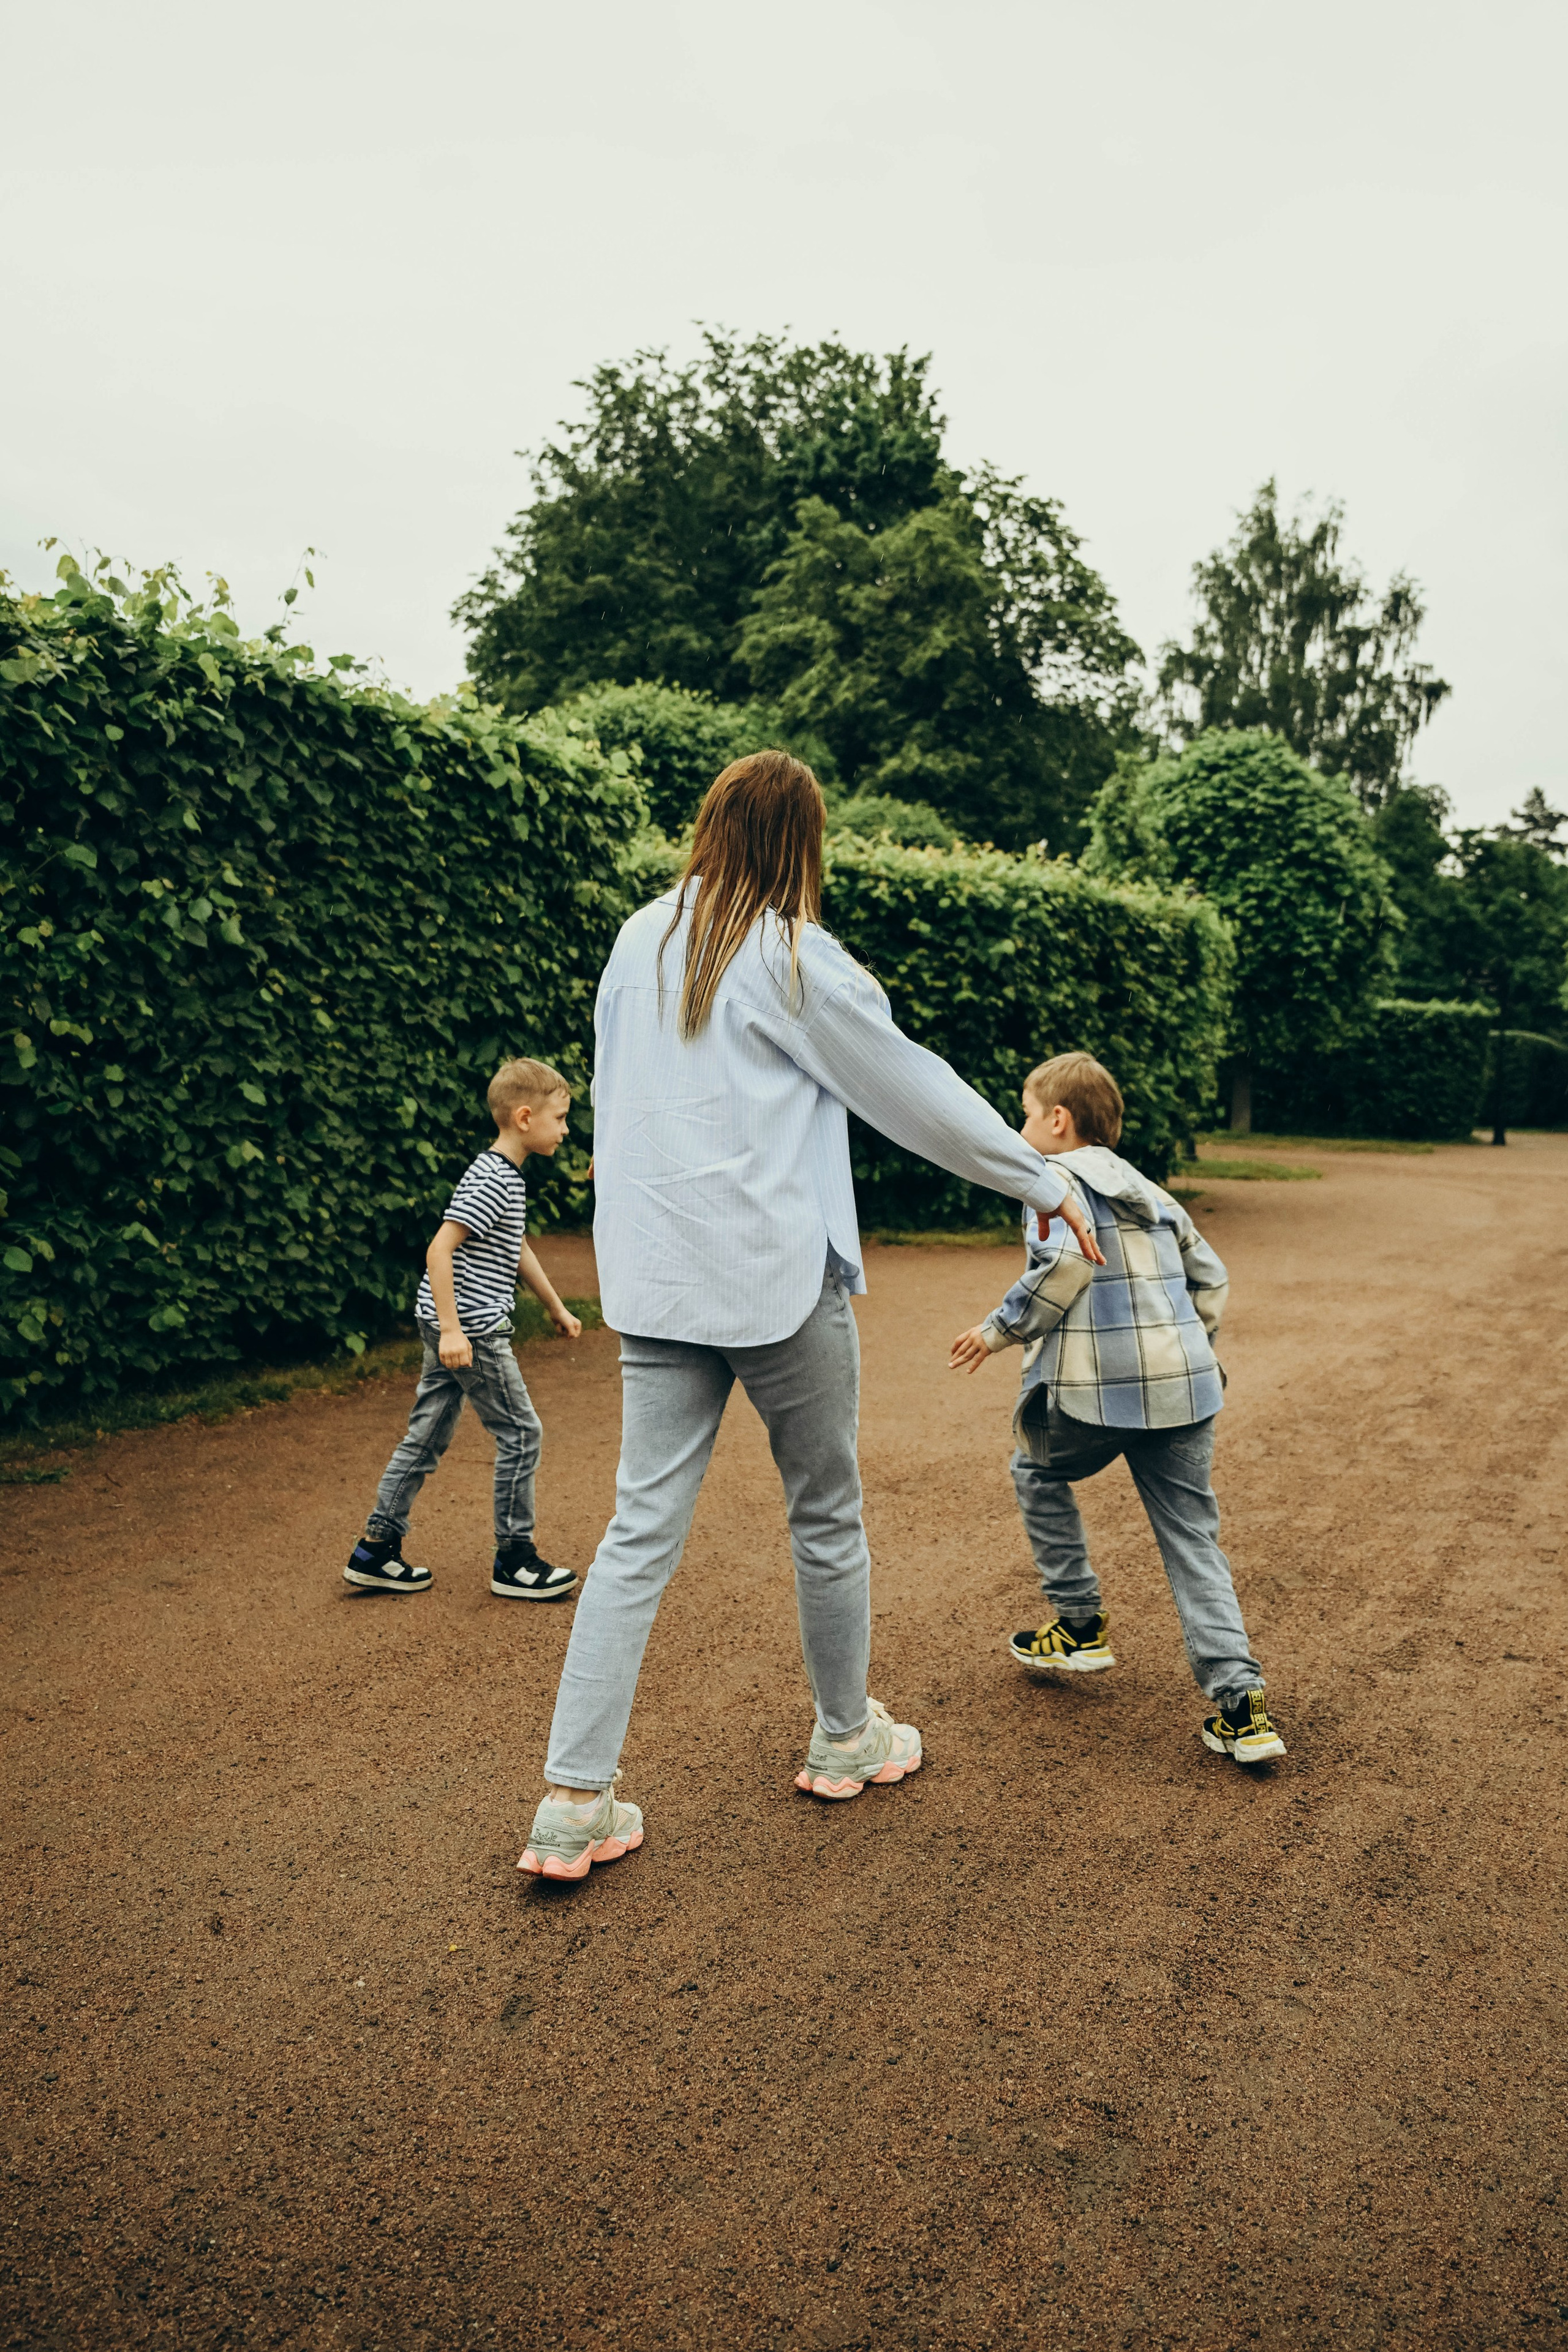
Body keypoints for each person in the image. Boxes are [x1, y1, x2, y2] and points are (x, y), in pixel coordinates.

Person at [518, 752, 1107, 1882]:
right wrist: (1042, 1180)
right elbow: (912, 1088)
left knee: (637, 1534)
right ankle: (845, 1737)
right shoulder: (790, 953)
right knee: (826, 1512)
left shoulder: (637, 939)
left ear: (710, 827)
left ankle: (571, 1799)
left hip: (658, 1280)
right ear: (801, 842)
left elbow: (621, 1102)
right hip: (775, 1278)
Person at [948, 1050, 1286, 1766]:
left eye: (1025, 1113)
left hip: (1097, 1396)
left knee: (1036, 1471)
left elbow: (1064, 1265)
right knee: (1191, 1537)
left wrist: (996, 1331)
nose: (1019, 1125)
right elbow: (1211, 1278)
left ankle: (1078, 1625)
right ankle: (1242, 1707)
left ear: (1058, 1120)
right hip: (1186, 1390)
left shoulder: (1049, 1184)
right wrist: (1185, 1349)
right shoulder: (1153, 1191)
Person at [344, 1057, 583, 1603]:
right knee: (521, 1433)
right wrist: (454, 1331)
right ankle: (515, 1561)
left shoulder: (504, 1175)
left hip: (452, 1324)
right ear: (525, 1118)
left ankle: (375, 1550)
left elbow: (515, 1247)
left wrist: (554, 1306)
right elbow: (440, 1249)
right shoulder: (494, 1178)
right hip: (471, 1330)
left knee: (426, 1435)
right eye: (560, 1118)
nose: (566, 1130)